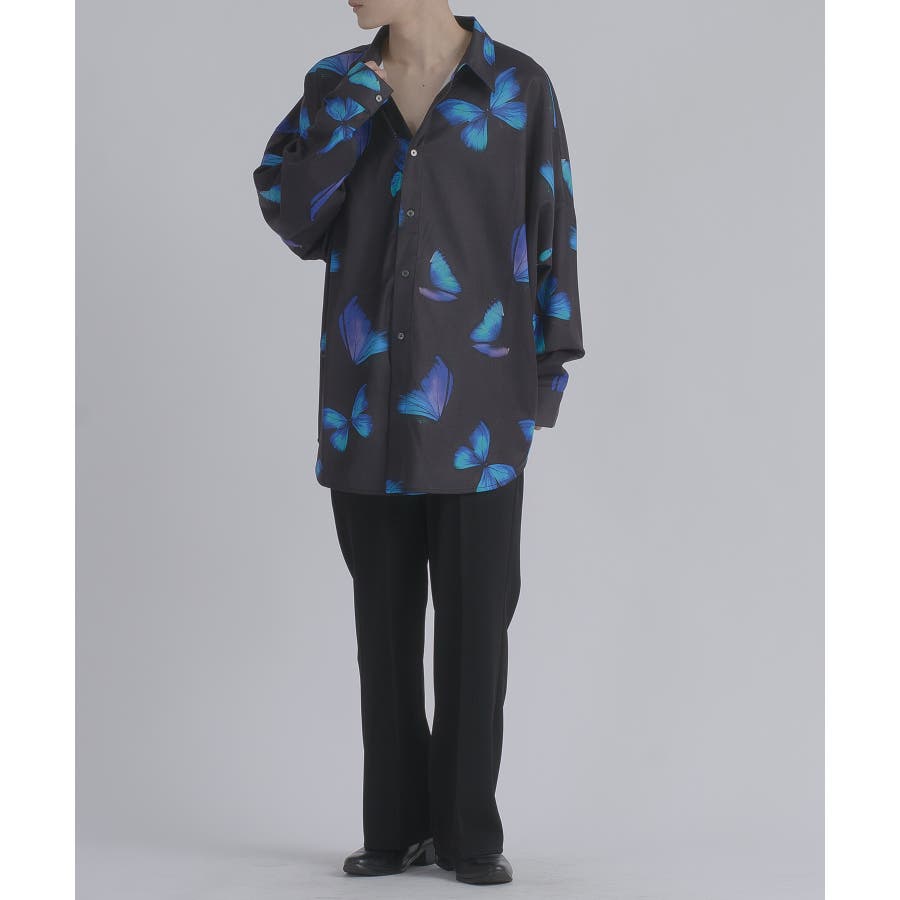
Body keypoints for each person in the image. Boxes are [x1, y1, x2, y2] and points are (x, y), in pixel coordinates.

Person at [252, 0, 584, 886]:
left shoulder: (518, 88)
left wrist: (545, 380)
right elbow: (292, 215)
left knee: (478, 629)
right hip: (365, 405)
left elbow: (551, 227)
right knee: (384, 628)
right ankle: (395, 828)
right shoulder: (336, 84)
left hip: (481, 407)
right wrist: (354, 110)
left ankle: (468, 834)